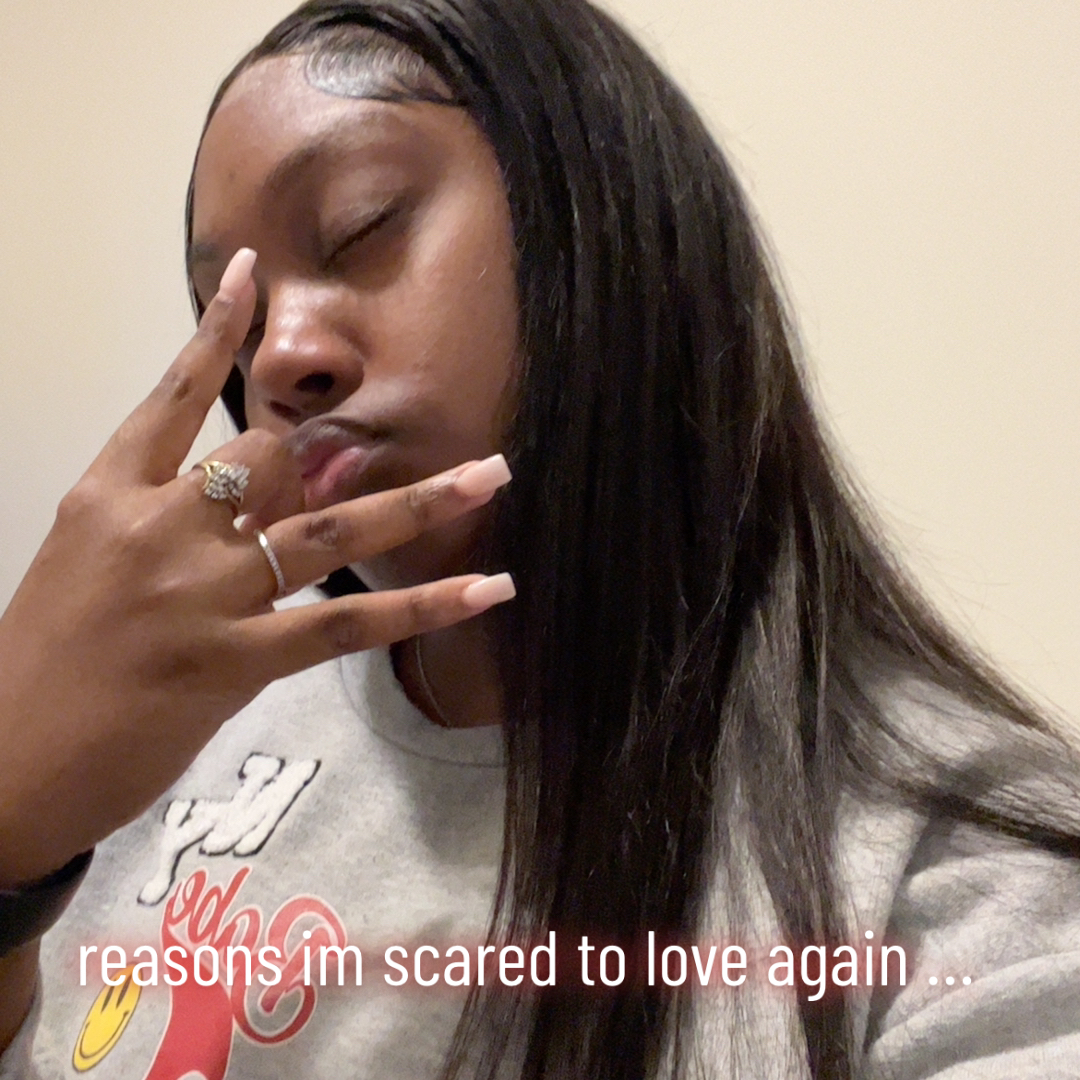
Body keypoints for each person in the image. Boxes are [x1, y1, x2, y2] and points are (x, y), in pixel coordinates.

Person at [1, 1, 1079, 1077]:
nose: (277, 359)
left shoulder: (955, 884)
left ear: (608, 225)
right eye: (230, 314)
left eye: (361, 227)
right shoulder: (175, 738)